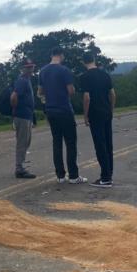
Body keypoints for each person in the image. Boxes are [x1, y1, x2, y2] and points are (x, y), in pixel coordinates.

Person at [38, 47, 87, 183]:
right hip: (64, 109)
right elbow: (70, 91)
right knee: (70, 143)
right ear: (61, 55)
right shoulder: (64, 70)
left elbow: (40, 91)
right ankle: (73, 175)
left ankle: (60, 175)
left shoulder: (43, 71)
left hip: (51, 110)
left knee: (57, 142)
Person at [79, 51, 116, 188]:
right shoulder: (105, 74)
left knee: (99, 145)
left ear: (83, 62)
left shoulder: (84, 77)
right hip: (106, 112)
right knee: (108, 144)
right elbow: (112, 94)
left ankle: (105, 178)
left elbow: (87, 97)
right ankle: (109, 172)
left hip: (95, 114)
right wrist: (111, 109)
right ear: (94, 60)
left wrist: (85, 115)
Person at [10, 58, 37, 179]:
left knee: (26, 142)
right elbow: (14, 96)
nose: (30, 69)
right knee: (22, 143)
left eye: (31, 67)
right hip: (22, 116)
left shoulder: (27, 80)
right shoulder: (22, 81)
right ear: (23, 69)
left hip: (27, 116)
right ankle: (19, 168)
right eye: (28, 67)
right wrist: (16, 111)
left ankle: (20, 166)